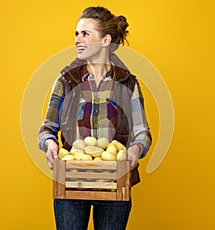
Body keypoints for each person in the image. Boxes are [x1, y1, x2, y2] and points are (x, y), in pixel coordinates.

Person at [38, 6, 152, 230]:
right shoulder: (65, 81)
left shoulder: (128, 84)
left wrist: (136, 150)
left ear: (105, 40)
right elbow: (47, 128)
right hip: (71, 181)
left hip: (115, 181)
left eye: (85, 34)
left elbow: (142, 132)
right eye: (76, 33)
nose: (77, 39)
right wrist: (49, 144)